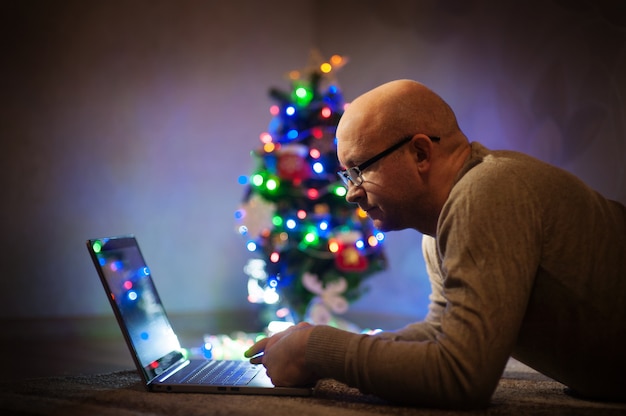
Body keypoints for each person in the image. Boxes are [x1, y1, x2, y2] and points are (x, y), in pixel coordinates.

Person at [244, 79, 626, 409]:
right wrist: (309, 343)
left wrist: (317, 348)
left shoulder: (487, 192)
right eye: (347, 176)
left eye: (359, 170)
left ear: (421, 152)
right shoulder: (444, 223)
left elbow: (461, 376)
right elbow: (439, 333)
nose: (351, 194)